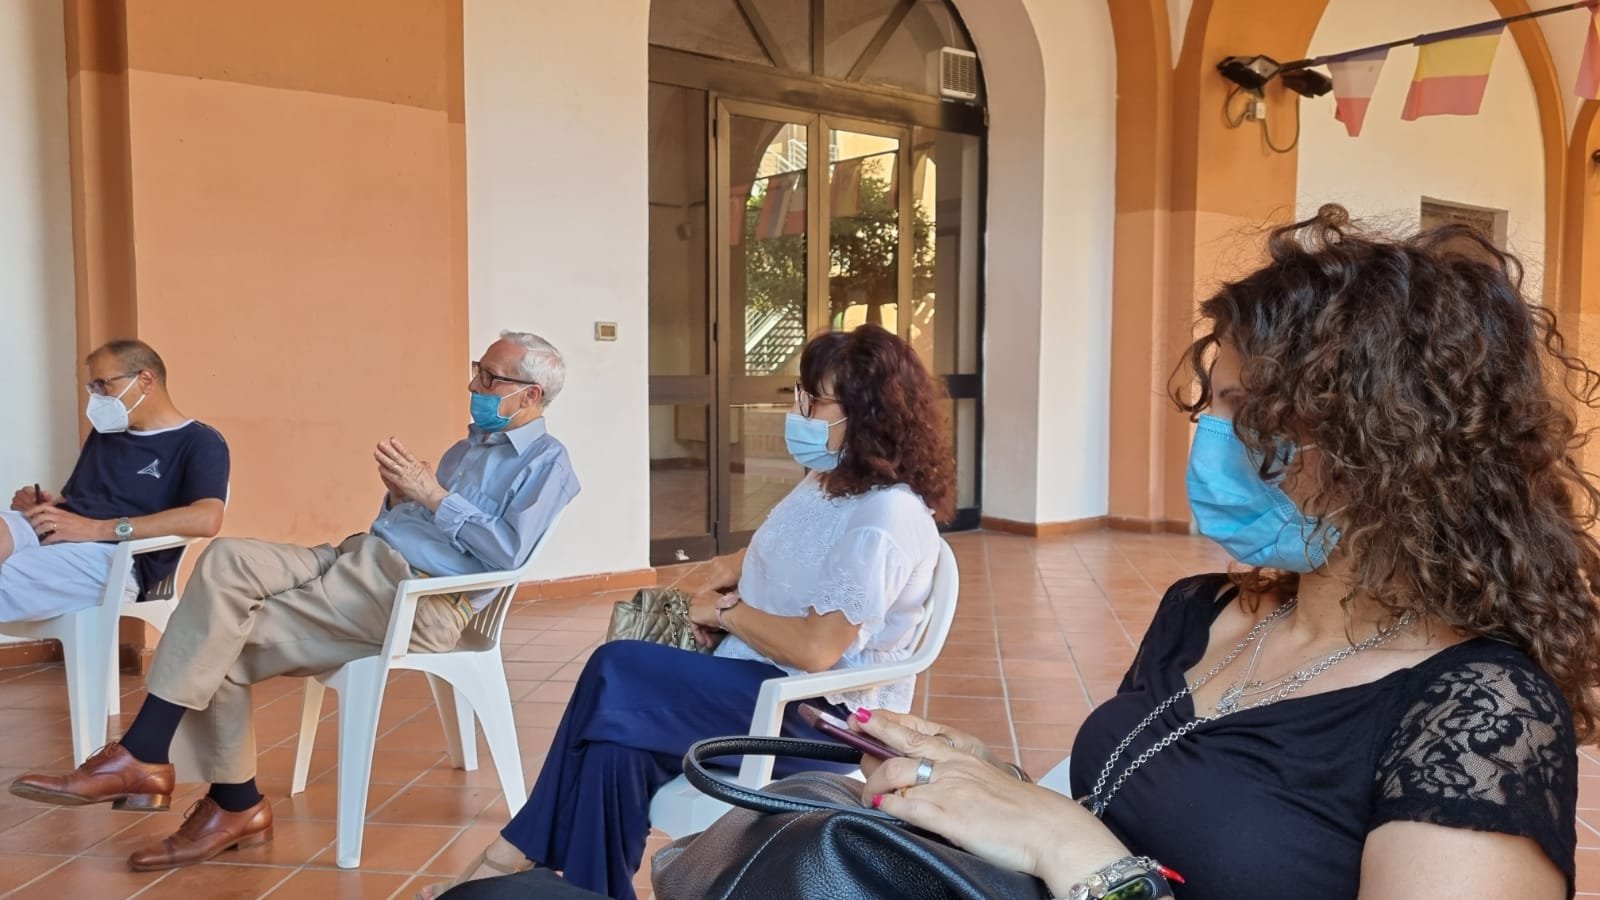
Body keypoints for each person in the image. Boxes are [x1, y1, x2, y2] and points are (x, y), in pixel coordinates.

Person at [844, 208, 1596, 899]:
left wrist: (1069, 848)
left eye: (1243, 408)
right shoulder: (1204, 612)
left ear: (1386, 440)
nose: (1209, 434)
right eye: (1211, 403)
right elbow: (1131, 813)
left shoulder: (1479, 715)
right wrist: (997, 788)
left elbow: (1090, 854)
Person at [10, 331, 581, 872]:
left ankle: (206, 788)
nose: (475, 385)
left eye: (490, 378)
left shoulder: (548, 464)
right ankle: (171, 772)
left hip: (416, 598)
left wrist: (432, 495)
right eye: (477, 371)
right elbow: (414, 525)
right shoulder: (466, 448)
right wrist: (400, 498)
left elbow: (507, 554)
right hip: (359, 558)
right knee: (227, 559)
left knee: (219, 635)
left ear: (530, 395)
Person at [425, 324, 957, 900]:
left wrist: (726, 614)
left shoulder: (886, 516)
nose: (798, 413)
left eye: (814, 402)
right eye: (799, 396)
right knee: (613, 752)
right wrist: (728, 578)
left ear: (866, 413)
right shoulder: (827, 482)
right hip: (752, 681)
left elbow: (816, 649)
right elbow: (779, 553)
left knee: (616, 666)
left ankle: (515, 849)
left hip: (814, 716)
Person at [2, 339, 228, 622]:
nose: (97, 397)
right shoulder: (106, 434)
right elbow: (86, 502)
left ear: (145, 380)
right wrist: (47, 505)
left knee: (8, 576)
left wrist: (97, 529)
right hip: (61, 537)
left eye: (103, 384)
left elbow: (207, 519)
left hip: (119, 558)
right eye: (93, 388)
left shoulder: (199, 442)